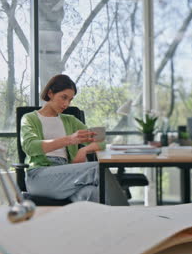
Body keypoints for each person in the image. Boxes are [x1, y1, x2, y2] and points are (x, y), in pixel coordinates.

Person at [21, 74, 128, 206]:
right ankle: (127, 215)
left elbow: (101, 142)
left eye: (70, 100)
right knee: (96, 169)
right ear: (50, 93)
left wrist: (84, 150)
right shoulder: (29, 118)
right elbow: (30, 147)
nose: (66, 104)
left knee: (92, 193)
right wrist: (69, 140)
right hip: (39, 177)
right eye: (63, 97)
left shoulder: (70, 121)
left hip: (67, 175)